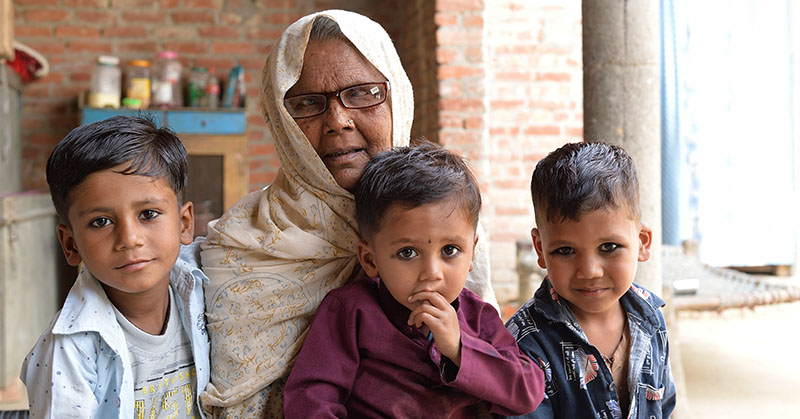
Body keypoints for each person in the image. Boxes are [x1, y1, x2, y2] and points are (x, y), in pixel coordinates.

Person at [199, 10, 498, 417]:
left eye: (363, 93)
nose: (338, 121)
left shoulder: (449, 225)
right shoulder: (242, 247)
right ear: (280, 119)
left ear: (397, 97)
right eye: (307, 103)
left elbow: (499, 385)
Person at [283, 142, 544, 417]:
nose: (432, 272)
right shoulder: (352, 311)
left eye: (450, 250)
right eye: (407, 253)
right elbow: (310, 401)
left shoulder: (477, 318)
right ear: (370, 260)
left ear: (472, 254)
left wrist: (458, 348)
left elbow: (526, 393)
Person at [20, 116, 210, 418]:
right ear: (70, 245)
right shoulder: (69, 352)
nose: (129, 239)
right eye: (101, 222)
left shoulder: (204, 285)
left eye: (148, 214)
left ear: (184, 223)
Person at [504, 142, 676, 418]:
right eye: (565, 251)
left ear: (642, 242)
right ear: (540, 249)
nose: (589, 271)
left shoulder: (651, 319)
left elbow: (663, 405)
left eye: (609, 247)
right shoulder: (525, 345)